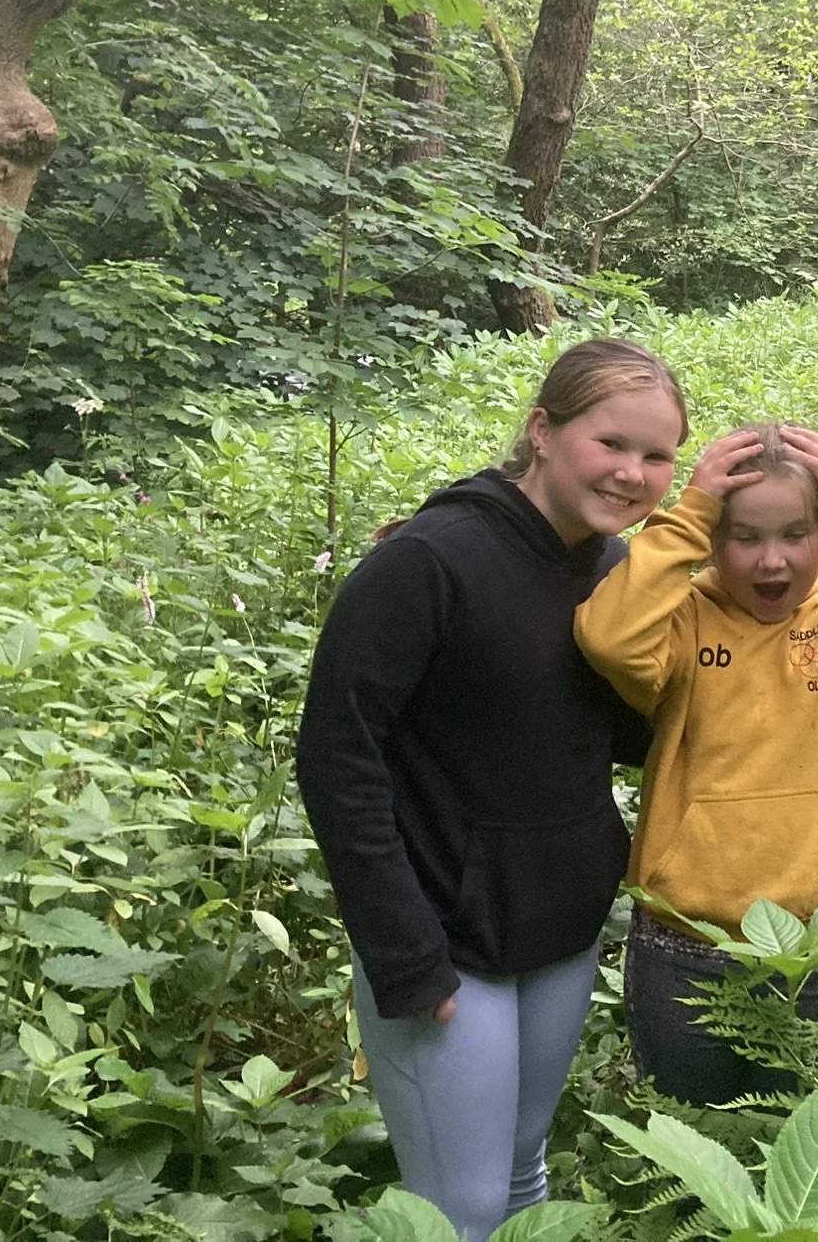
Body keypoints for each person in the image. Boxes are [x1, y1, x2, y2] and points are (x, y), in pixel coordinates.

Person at [295, 338, 688, 1242]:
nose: (632, 473)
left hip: (559, 925)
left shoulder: (615, 571)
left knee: (522, 1172)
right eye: (611, 442)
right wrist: (402, 951)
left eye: (657, 455)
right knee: (457, 1212)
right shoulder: (429, 561)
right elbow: (336, 757)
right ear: (543, 431)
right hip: (445, 938)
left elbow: (623, 736)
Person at [575, 422, 818, 1105]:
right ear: (711, 540)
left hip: (810, 948)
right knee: (694, 1143)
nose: (770, 561)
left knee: (800, 1141)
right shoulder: (684, 620)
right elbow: (608, 637)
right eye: (743, 536)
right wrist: (691, 513)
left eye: (796, 534)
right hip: (682, 943)